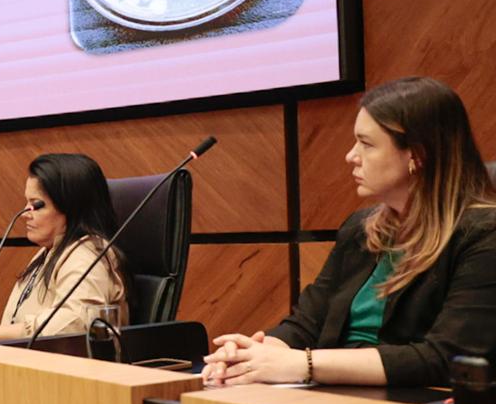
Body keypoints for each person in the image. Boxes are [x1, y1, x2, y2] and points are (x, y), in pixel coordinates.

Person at [204, 77, 496, 388]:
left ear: (417, 155)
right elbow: (306, 324)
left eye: (367, 144)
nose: (351, 155)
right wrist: (255, 354)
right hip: (331, 392)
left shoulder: (483, 235)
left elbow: (446, 358)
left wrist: (304, 364)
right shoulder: (360, 228)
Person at [0, 154, 129, 340]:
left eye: (36, 205)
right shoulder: (48, 250)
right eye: (27, 203)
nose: (25, 214)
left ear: (70, 206)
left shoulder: (87, 256)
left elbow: (76, 323)